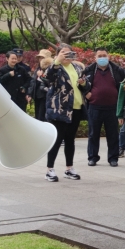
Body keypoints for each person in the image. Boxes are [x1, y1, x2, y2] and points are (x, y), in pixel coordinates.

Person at [42, 45, 87, 182]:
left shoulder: (77, 67)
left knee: (70, 140)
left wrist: (84, 83)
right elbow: (47, 77)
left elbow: (86, 86)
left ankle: (69, 168)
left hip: (76, 107)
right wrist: (56, 61)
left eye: (69, 53)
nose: (67, 56)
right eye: (63, 53)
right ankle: (50, 169)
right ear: (58, 54)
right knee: (56, 139)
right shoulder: (56, 67)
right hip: (60, 109)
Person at [82, 47, 125, 167]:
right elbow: (79, 84)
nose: (102, 58)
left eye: (104, 55)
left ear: (108, 56)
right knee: (93, 134)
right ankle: (92, 157)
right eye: (99, 56)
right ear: (95, 58)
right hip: (94, 107)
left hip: (112, 107)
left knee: (113, 134)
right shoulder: (89, 70)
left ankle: (113, 158)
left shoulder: (117, 70)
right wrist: (86, 93)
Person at [29, 53, 52, 122]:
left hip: (45, 96)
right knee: (38, 115)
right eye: (39, 58)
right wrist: (30, 93)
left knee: (43, 116)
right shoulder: (38, 69)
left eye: (42, 57)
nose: (40, 59)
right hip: (37, 95)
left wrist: (41, 76)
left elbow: (50, 82)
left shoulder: (50, 69)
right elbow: (33, 82)